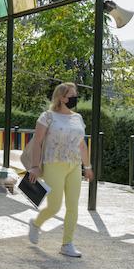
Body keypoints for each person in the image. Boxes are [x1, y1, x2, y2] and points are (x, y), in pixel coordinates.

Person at [28, 83, 94, 257]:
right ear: (61, 97)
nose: (74, 98)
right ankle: (36, 224)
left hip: (74, 165)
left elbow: (81, 143)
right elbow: (37, 142)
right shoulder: (47, 116)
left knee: (73, 206)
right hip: (53, 164)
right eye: (71, 95)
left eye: (75, 95)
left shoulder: (77, 118)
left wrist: (87, 167)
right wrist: (35, 166)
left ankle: (67, 244)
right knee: (55, 206)